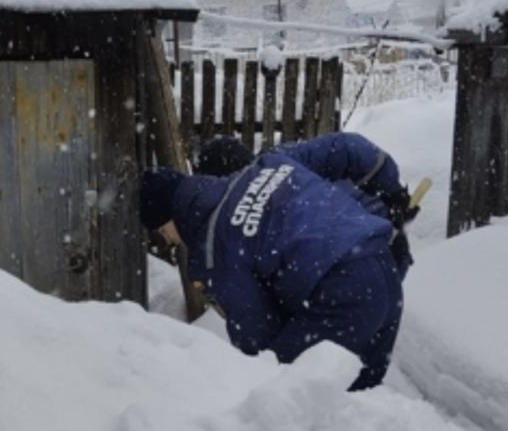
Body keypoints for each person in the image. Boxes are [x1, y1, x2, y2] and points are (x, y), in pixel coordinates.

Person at [141, 133, 419, 391]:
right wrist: (392, 192)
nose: (169, 240)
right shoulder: (271, 163)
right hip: (383, 264)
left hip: (341, 295)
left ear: (171, 216)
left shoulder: (216, 246)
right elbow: (346, 147)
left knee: (279, 389)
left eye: (163, 231)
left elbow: (256, 333)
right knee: (359, 405)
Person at [195, 134, 416, 279]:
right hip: (373, 249)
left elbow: (348, 147)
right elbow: (347, 147)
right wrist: (393, 195)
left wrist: (392, 193)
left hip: (364, 253)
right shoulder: (281, 159)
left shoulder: (243, 212)